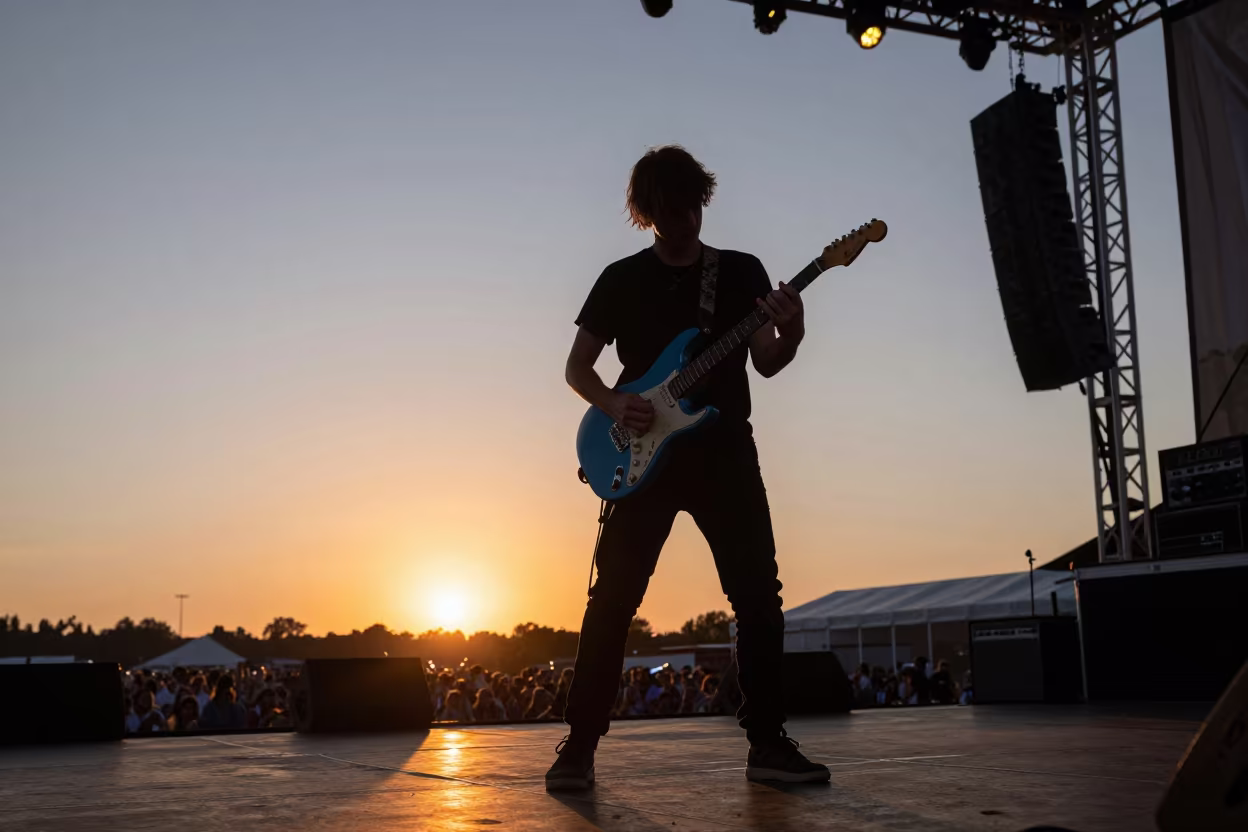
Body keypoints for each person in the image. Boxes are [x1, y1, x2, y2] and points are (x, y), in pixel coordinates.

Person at [547, 146, 830, 790]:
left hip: (725, 454)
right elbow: (577, 368)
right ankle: (579, 747)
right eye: (672, 212)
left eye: (695, 207)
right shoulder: (619, 279)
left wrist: (795, 333)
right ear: (648, 213)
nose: (687, 222)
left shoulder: (740, 271)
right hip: (640, 459)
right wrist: (617, 402)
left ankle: (768, 745)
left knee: (759, 599)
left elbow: (767, 362)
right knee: (612, 603)